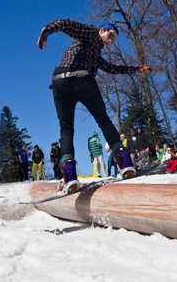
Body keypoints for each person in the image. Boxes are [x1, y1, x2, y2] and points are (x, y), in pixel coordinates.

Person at [37, 18, 151, 194]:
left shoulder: (95, 55)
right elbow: (69, 24)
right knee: (103, 120)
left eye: (113, 39)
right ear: (101, 31)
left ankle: (69, 177)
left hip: (60, 82)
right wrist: (47, 30)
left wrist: (135, 69)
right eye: (110, 35)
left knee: (66, 130)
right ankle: (124, 163)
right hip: (81, 79)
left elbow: (112, 68)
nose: (110, 41)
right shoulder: (90, 33)